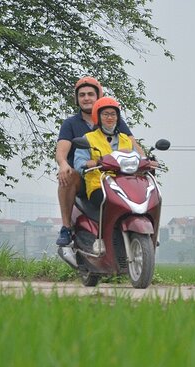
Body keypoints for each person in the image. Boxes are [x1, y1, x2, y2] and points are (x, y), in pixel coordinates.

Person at [55, 77, 143, 245]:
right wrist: (64, 164)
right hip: (86, 177)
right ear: (77, 99)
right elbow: (61, 151)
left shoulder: (115, 122)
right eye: (82, 95)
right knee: (68, 175)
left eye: (90, 94)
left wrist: (146, 162)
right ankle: (66, 227)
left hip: (116, 177)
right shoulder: (71, 123)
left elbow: (134, 146)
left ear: (98, 97)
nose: (86, 98)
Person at [73, 97, 149, 207]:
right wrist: (89, 163)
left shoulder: (126, 139)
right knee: (109, 202)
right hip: (100, 186)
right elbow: (79, 163)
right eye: (105, 114)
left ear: (118, 117)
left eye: (113, 114)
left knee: (145, 199)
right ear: (97, 116)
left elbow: (137, 158)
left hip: (127, 185)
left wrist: (148, 162)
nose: (110, 117)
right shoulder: (88, 138)